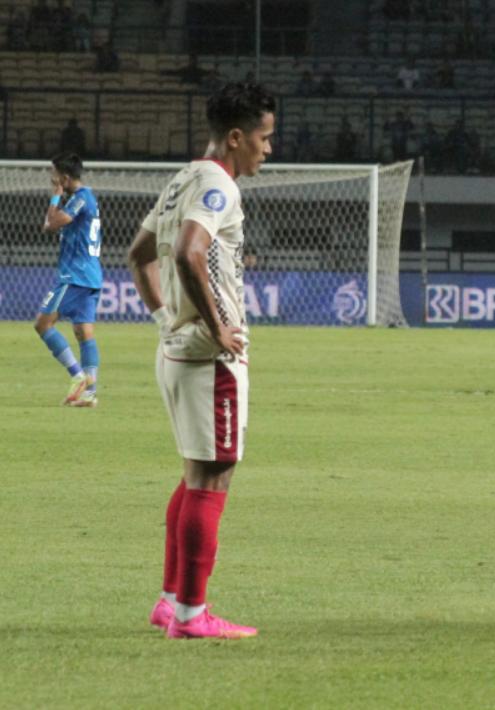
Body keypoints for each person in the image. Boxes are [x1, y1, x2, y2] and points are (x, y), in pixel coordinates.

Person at [126, 81, 276, 640]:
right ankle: (192, 615)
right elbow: (190, 251)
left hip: (177, 352)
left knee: (196, 474)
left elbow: (139, 255)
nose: (269, 148)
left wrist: (165, 317)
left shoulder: (183, 178)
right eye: (264, 138)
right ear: (236, 137)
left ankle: (170, 601)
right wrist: (218, 329)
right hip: (209, 359)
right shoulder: (218, 186)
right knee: (214, 478)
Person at [35, 152, 103, 408]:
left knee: (42, 324)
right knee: (83, 332)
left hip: (75, 275)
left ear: (64, 177)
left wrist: (54, 195)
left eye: (54, 175)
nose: (51, 179)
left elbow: (50, 225)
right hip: (91, 275)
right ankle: (89, 393)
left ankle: (77, 377)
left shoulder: (80, 199)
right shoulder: (86, 198)